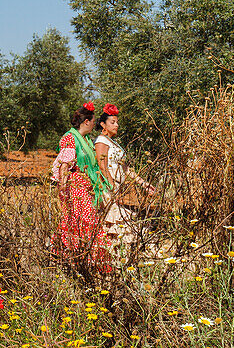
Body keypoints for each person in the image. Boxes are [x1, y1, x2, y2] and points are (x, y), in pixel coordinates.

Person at [52, 102, 112, 272]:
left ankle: (86, 261)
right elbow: (64, 166)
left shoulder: (86, 140)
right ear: (86, 122)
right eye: (93, 121)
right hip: (75, 188)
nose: (95, 124)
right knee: (81, 222)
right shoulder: (70, 138)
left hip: (86, 188)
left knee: (85, 222)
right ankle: (76, 259)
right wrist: (63, 190)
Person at [95, 103, 156, 245]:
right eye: (112, 122)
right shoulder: (102, 141)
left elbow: (126, 168)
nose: (116, 125)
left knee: (118, 222)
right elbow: (102, 165)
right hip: (107, 187)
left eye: (117, 122)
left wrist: (143, 183)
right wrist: (111, 186)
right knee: (112, 221)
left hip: (117, 187)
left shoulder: (114, 143)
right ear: (103, 124)